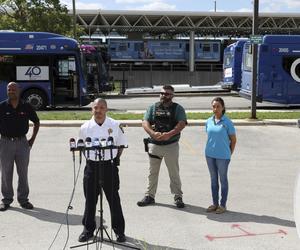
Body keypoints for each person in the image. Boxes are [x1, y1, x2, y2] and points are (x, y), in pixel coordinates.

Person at [78, 98, 127, 243]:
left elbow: (121, 145)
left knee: (114, 200)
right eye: (95, 108)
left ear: (106, 109)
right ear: (91, 109)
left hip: (108, 167)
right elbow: (81, 146)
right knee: (90, 200)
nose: (98, 111)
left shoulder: (115, 125)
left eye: (101, 108)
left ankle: (119, 231)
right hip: (92, 167)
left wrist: (114, 159)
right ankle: (88, 230)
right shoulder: (85, 127)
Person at [137, 85, 187, 208]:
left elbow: (182, 123)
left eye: (168, 94)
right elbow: (145, 122)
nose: (165, 96)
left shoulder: (178, 109)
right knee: (152, 172)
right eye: (163, 93)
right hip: (155, 145)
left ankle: (178, 197)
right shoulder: (153, 108)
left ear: (172, 95)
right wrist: (152, 133)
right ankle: (150, 196)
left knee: (174, 172)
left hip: (171, 145)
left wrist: (169, 135)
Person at [0, 82, 40, 211]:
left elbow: (36, 122)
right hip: (5, 143)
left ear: (19, 90)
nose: (11, 91)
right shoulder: (2, 106)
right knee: (6, 173)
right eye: (9, 89)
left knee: (23, 172)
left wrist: (32, 140)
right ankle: (6, 200)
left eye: (13, 89)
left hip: (22, 143)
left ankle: (23, 200)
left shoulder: (26, 106)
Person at [205, 97, 236, 214]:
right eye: (213, 106)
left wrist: (229, 153)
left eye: (218, 106)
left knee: (223, 179)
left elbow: (233, 140)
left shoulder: (227, 122)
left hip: (223, 156)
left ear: (223, 108)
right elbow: (210, 136)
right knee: (213, 180)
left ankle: (223, 205)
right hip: (209, 155)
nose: (215, 108)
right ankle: (215, 203)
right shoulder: (208, 121)